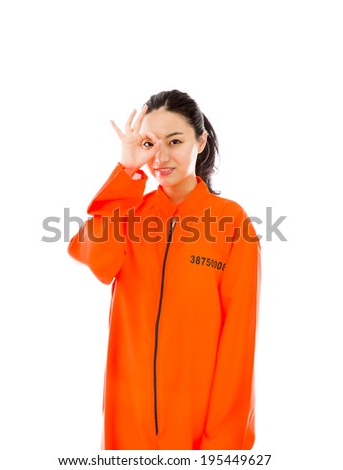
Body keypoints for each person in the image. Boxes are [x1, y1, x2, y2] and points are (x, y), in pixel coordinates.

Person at [67, 89, 261, 450]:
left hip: (199, 424)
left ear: (200, 142)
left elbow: (239, 337)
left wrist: (222, 443)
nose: (161, 156)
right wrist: (126, 171)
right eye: (149, 143)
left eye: (175, 141)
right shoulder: (129, 213)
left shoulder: (231, 221)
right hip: (129, 420)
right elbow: (96, 258)